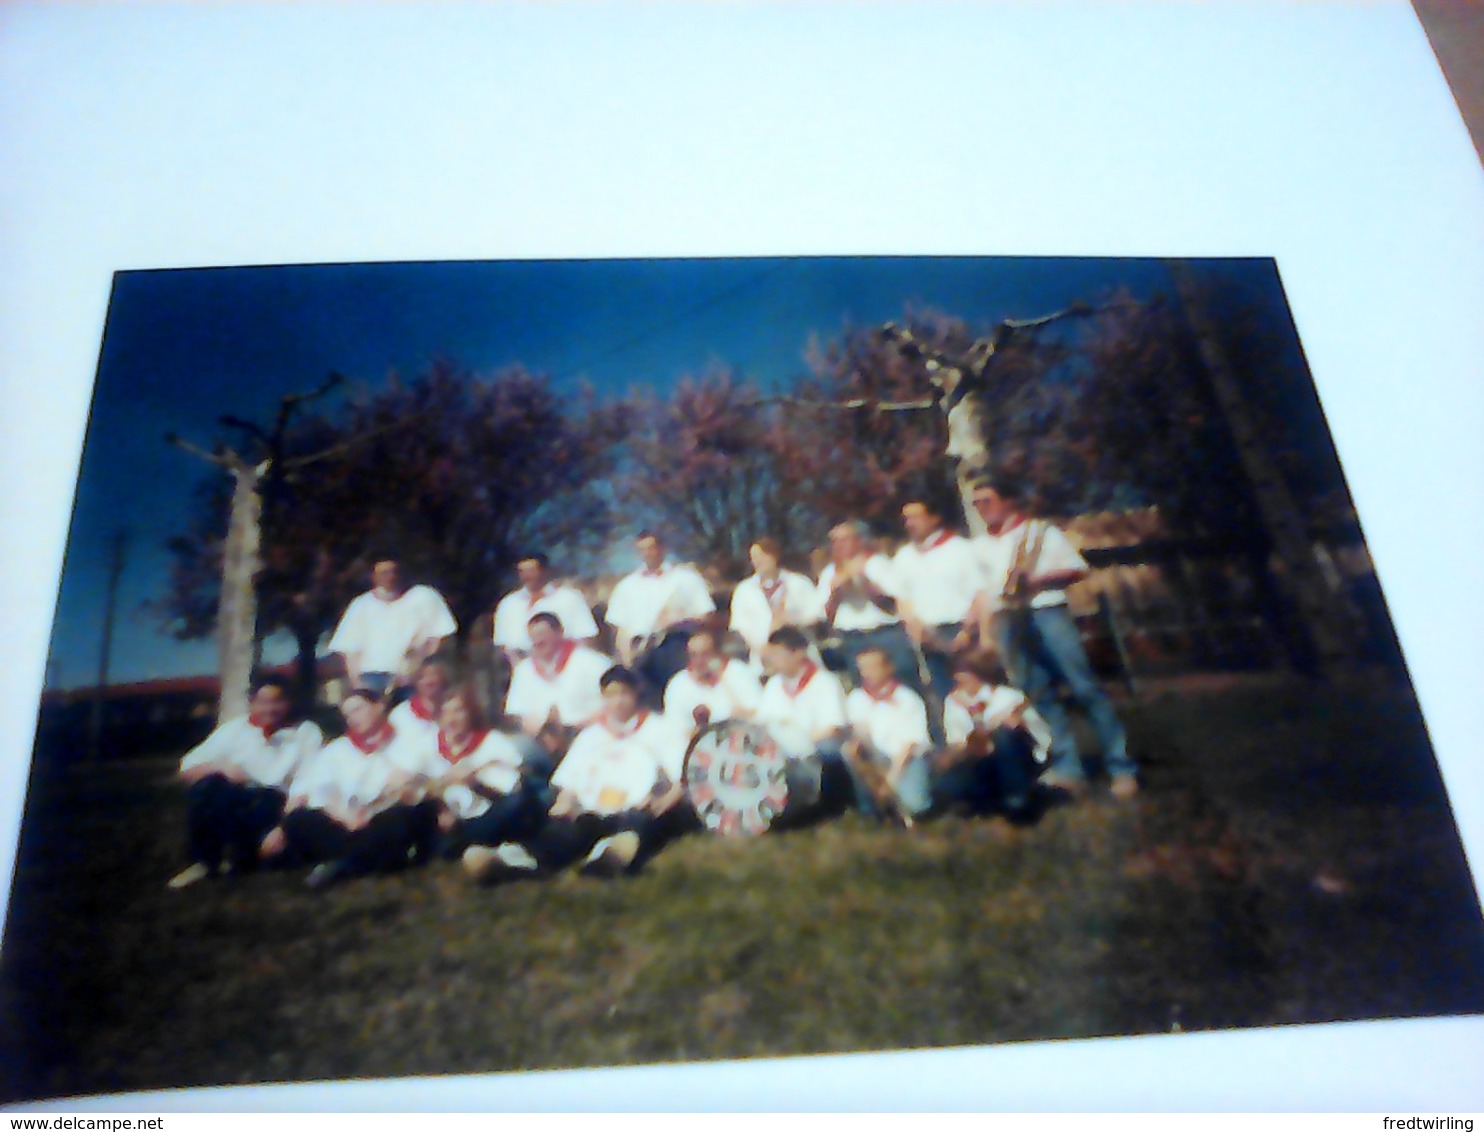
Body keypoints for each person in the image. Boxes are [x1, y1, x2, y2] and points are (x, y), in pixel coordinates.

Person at [968, 477, 1139, 800]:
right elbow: (983, 593)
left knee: (1084, 687)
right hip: (1009, 619)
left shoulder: (1039, 533)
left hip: (1046, 611)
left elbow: (1077, 569)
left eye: (987, 501)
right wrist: (981, 632)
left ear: (1008, 501)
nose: (982, 509)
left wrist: (1035, 579)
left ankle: (1121, 767)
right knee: (1037, 692)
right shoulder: (980, 545)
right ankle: (1068, 767)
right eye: (977, 503)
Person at [463, 666, 692, 883]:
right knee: (560, 835)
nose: (618, 701)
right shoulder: (590, 736)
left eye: (624, 694)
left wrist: (663, 802)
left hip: (634, 808)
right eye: (611, 695)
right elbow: (568, 781)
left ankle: (609, 857)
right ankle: (510, 861)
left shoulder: (659, 730)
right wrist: (565, 802)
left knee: (636, 828)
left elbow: (679, 778)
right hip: (589, 810)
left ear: (636, 693)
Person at [259, 689, 433, 888]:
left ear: (379, 706)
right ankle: (361, 860)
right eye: (347, 715)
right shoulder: (337, 749)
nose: (353, 718)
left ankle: (343, 864)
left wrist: (398, 791)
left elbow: (414, 786)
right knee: (299, 819)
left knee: (403, 817)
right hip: (343, 822)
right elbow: (321, 790)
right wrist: (344, 816)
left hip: (381, 817)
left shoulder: (404, 742)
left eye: (358, 709)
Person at [167, 675, 323, 889]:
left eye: (277, 701)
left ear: (289, 703)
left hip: (276, 802)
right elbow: (186, 769)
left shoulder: (305, 732)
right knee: (208, 786)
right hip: (237, 798)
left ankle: (247, 855)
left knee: (265, 860)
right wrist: (221, 767)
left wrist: (282, 827)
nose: (270, 709)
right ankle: (204, 862)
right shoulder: (235, 729)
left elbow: (310, 781)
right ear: (252, 703)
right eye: (263, 702)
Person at [386, 684, 540, 859]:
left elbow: (513, 789)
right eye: (446, 712)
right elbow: (400, 779)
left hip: (485, 814)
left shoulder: (491, 741)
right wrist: (439, 801)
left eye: (458, 711)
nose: (452, 719)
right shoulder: (428, 743)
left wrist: (476, 780)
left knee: (518, 805)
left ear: (470, 714)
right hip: (447, 816)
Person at [933, 650, 1052, 822]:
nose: (959, 677)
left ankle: (1018, 800)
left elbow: (1042, 737)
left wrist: (1018, 725)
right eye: (957, 672)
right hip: (979, 760)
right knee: (945, 785)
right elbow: (956, 740)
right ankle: (982, 801)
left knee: (1004, 738)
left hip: (1017, 759)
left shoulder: (1008, 697)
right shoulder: (954, 702)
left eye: (965, 671)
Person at [603, 531, 716, 696]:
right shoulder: (626, 586)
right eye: (642, 549)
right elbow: (619, 629)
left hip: (676, 646)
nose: (647, 553)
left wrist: (679, 619)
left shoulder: (685, 578)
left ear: (662, 548)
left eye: (651, 548)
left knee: (677, 694)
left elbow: (707, 616)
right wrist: (627, 660)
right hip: (641, 654)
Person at [892, 500, 981, 709]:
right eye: (906, 519)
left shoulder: (961, 549)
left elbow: (979, 593)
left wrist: (968, 631)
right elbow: (902, 598)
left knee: (977, 691)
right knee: (946, 698)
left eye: (915, 517)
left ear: (934, 518)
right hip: (928, 637)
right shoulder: (904, 556)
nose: (909, 523)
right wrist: (915, 627)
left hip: (962, 631)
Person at [327, 558, 458, 698]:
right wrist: (357, 683)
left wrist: (418, 667)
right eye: (384, 573)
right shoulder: (361, 605)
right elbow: (350, 649)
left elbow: (439, 637)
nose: (391, 577)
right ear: (373, 576)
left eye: (394, 571)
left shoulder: (424, 596)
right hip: (370, 678)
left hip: (411, 679)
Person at [817, 520, 921, 695]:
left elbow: (892, 606)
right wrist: (836, 593)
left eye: (844, 539)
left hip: (885, 634)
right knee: (863, 691)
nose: (839, 545)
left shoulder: (879, 564)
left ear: (858, 540)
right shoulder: (829, 573)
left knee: (904, 687)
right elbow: (824, 617)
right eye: (835, 541)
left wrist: (865, 583)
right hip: (852, 639)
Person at [503, 611, 615, 772]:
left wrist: (578, 728)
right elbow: (519, 714)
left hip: (584, 733)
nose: (538, 641)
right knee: (513, 750)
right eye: (533, 637)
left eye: (542, 634)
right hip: (541, 738)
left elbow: (611, 703)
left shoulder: (594, 662)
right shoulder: (524, 670)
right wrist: (542, 734)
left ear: (559, 633)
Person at [754, 626, 850, 811]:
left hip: (814, 749)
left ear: (798, 654)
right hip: (779, 750)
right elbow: (763, 722)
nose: (772, 660)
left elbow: (833, 728)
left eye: (777, 654)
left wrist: (799, 743)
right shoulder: (774, 685)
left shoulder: (824, 682)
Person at [841, 646, 934, 825]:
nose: (867, 673)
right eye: (862, 668)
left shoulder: (908, 698)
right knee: (848, 752)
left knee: (915, 806)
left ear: (888, 668)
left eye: (872, 667)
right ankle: (870, 806)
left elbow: (911, 744)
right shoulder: (857, 698)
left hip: (905, 760)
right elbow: (859, 733)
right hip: (876, 758)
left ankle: (904, 803)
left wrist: (891, 779)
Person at [728, 538, 821, 672]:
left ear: (775, 555)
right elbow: (740, 626)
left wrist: (791, 621)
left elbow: (816, 614)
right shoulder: (744, 590)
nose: (758, 561)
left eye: (763, 555)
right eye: (754, 557)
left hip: (799, 655)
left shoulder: (799, 583)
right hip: (762, 660)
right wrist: (762, 648)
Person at [491, 553, 599, 664]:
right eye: (522, 572)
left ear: (546, 571)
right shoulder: (509, 604)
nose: (526, 576)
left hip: (564, 665)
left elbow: (585, 638)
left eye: (531, 571)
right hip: (521, 666)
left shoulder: (569, 598)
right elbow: (503, 645)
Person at [662, 629, 762, 739]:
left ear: (717, 653)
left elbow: (758, 715)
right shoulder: (678, 685)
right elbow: (675, 731)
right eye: (694, 655)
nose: (699, 661)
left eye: (705, 654)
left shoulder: (737, 672)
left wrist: (722, 677)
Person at [387, 657, 452, 744]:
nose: (428, 681)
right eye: (422, 677)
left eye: (433, 675)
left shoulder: (455, 708)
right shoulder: (401, 714)